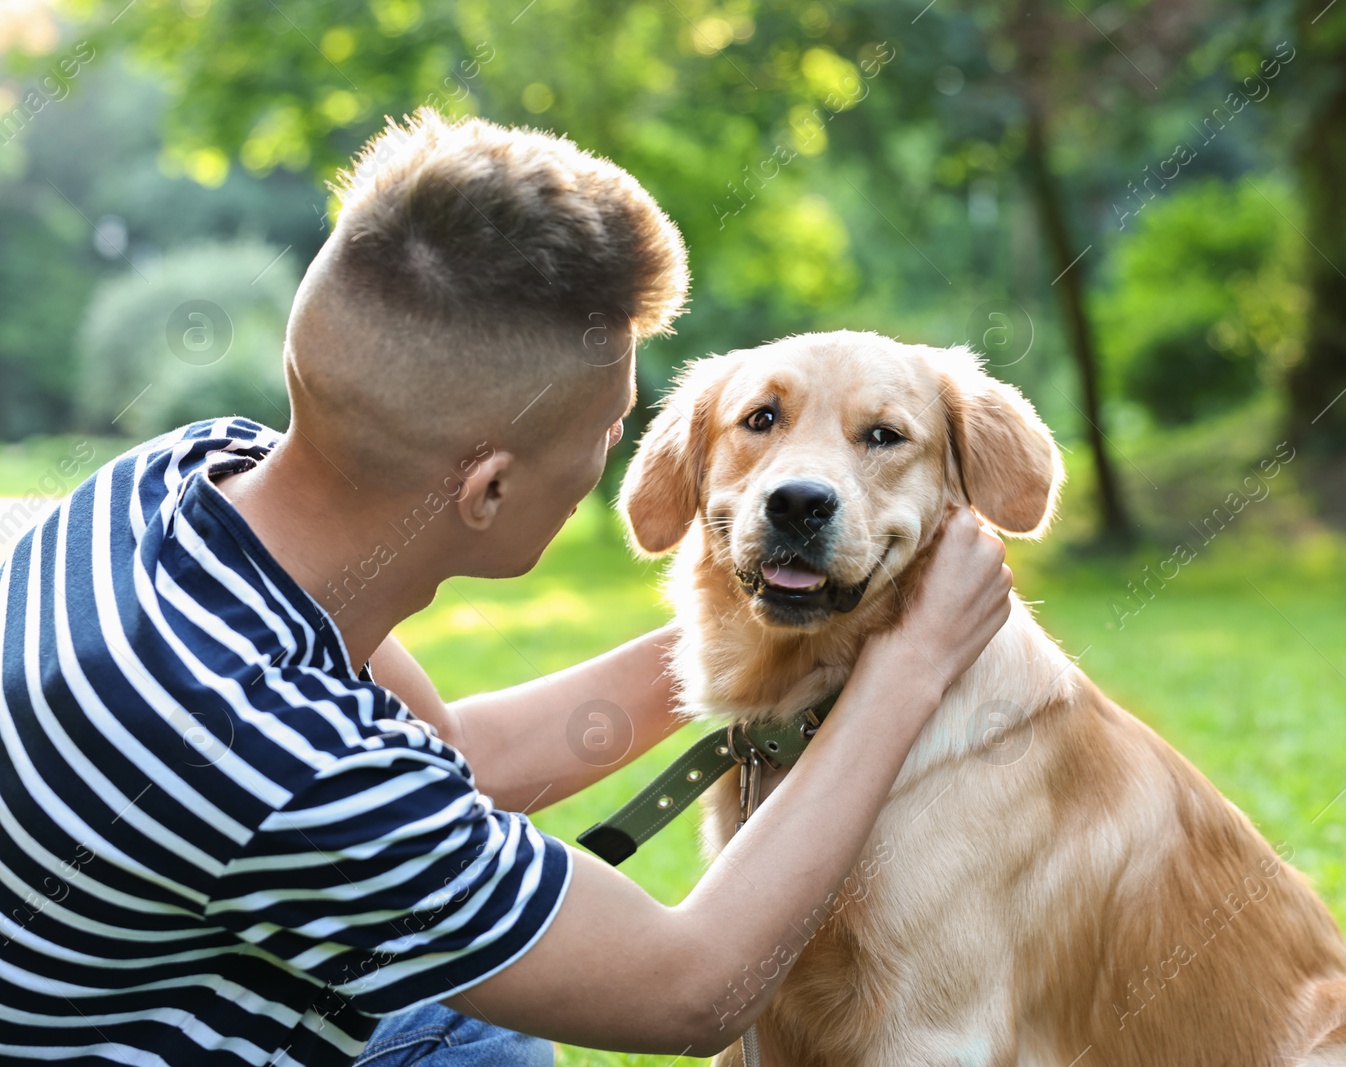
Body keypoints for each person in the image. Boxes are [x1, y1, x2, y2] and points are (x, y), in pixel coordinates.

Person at [0, 109, 1012, 1065]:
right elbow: (689, 986)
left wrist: (775, 637)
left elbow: (452, 760)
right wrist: (909, 667)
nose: (619, 444)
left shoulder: (181, 480)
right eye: (608, 423)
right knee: (479, 1033)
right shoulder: (279, 758)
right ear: (489, 487)